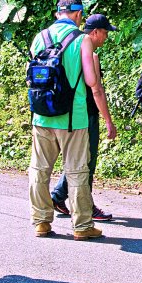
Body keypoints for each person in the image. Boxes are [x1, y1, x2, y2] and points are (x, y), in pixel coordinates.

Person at [28, 0, 103, 241]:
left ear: (57, 12)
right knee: (77, 171)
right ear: (79, 14)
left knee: (40, 169)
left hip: (42, 116)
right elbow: (92, 82)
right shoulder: (82, 39)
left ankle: (41, 222)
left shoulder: (40, 37)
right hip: (74, 118)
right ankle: (82, 226)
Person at [50, 13, 118, 221]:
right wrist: (108, 120)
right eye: (105, 33)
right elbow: (96, 90)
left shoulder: (69, 46)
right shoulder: (91, 54)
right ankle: (82, 205)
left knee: (77, 160)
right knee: (87, 161)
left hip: (64, 113)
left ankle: (58, 196)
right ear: (95, 32)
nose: (106, 38)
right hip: (85, 115)